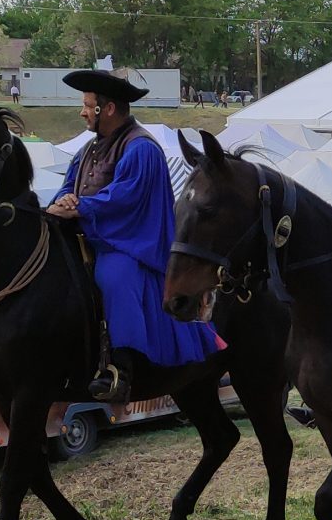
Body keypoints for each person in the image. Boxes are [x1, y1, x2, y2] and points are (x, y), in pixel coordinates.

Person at [49, 68, 220, 396]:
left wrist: (81, 208)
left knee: (116, 277)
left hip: (127, 246)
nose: (82, 111)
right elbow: (69, 186)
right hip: (87, 236)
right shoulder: (88, 149)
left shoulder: (141, 149)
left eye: (87, 105)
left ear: (108, 108)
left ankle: (121, 367)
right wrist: (63, 199)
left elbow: (126, 198)